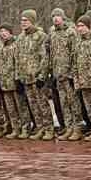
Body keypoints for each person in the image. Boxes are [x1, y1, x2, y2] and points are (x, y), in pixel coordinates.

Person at [18, 10, 53, 141]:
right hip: (26, 78)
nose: (23, 23)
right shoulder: (21, 38)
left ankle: (49, 129)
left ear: (32, 21)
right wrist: (19, 76)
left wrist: (42, 76)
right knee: (33, 105)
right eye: (22, 20)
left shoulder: (41, 36)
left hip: (37, 77)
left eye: (26, 20)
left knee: (42, 105)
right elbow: (18, 57)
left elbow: (45, 58)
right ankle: (40, 128)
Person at [48, 9, 78, 141]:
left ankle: (77, 128)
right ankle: (68, 127)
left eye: (58, 16)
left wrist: (72, 73)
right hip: (57, 74)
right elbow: (51, 53)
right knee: (63, 103)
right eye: (53, 16)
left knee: (73, 102)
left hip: (68, 74)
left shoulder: (70, 32)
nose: (56, 18)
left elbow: (74, 53)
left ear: (63, 17)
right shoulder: (52, 32)